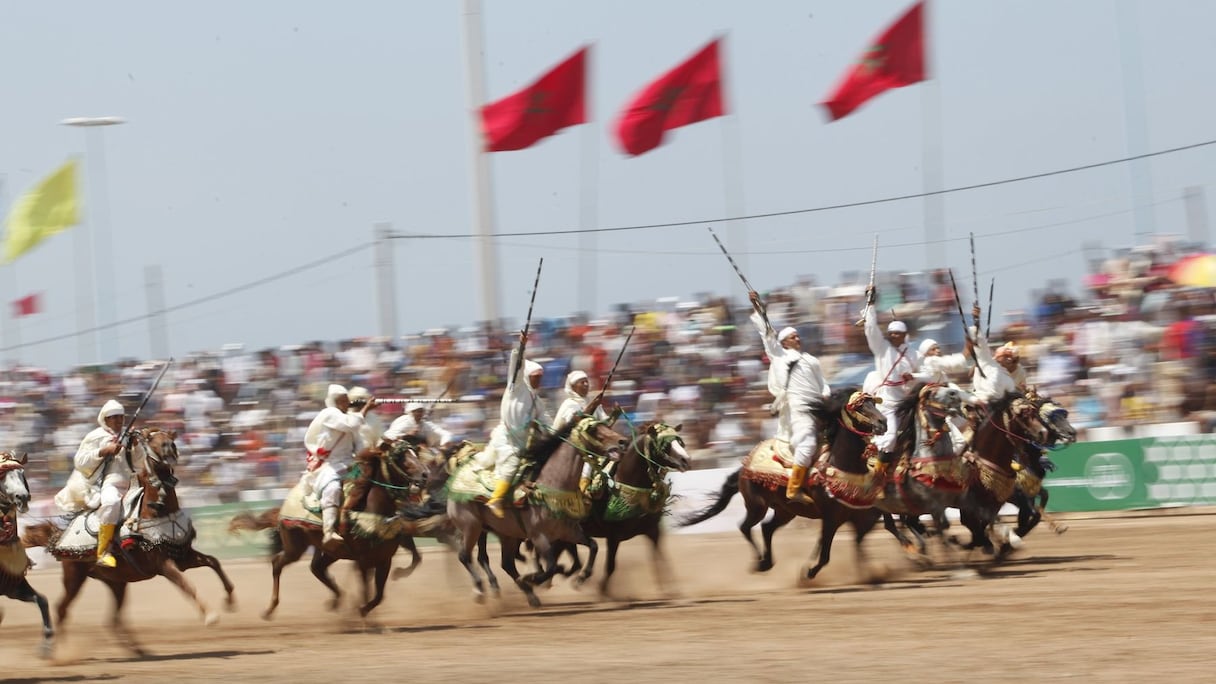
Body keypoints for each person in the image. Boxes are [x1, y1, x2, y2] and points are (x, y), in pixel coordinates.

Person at [749, 291, 831, 503]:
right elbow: (767, 334)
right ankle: (794, 489)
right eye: (793, 337)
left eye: (798, 336)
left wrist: (826, 395)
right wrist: (760, 310)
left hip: (820, 407)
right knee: (807, 445)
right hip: (799, 408)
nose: (798, 338)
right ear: (784, 343)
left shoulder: (811, 359)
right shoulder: (779, 355)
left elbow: (823, 383)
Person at [53, 399, 129, 567]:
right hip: (110, 482)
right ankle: (103, 552)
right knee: (111, 503)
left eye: (121, 417)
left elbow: (139, 461)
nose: (118, 420)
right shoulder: (95, 436)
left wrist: (136, 447)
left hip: (133, 481)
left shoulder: (129, 436)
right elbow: (80, 461)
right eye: (113, 417)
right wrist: (104, 451)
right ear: (106, 419)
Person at [485, 335, 552, 518]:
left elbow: (548, 423)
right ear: (527, 376)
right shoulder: (515, 388)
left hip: (525, 444)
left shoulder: (536, 400)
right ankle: (496, 500)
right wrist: (522, 346)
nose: (539, 380)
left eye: (540, 377)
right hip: (506, 440)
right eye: (535, 376)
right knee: (512, 464)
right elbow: (517, 365)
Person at [301, 384, 377, 544]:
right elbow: (350, 424)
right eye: (343, 401)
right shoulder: (330, 414)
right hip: (330, 465)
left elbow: (360, 445)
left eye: (347, 400)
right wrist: (366, 409)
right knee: (333, 488)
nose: (347, 404)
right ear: (335, 402)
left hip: (350, 463)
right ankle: (329, 532)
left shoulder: (348, 416)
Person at [864, 294, 920, 461]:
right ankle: (878, 475)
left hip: (908, 402)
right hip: (887, 403)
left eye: (897, 333)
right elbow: (871, 329)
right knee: (890, 438)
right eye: (891, 333)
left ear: (904, 335)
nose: (893, 336)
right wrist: (871, 304)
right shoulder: (882, 348)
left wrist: (914, 376)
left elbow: (923, 374)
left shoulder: (913, 354)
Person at [553, 370, 608, 495]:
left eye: (586, 382)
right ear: (573, 387)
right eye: (581, 382)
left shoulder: (592, 401)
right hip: (572, 446)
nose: (586, 384)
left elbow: (605, 422)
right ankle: (583, 493)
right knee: (587, 464)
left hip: (592, 444)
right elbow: (577, 424)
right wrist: (593, 406)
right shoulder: (569, 404)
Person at [383, 401, 454, 452]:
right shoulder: (405, 422)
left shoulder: (426, 425)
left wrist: (444, 445)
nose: (419, 414)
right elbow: (388, 437)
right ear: (411, 412)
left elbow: (446, 434)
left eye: (421, 411)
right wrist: (407, 435)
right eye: (417, 411)